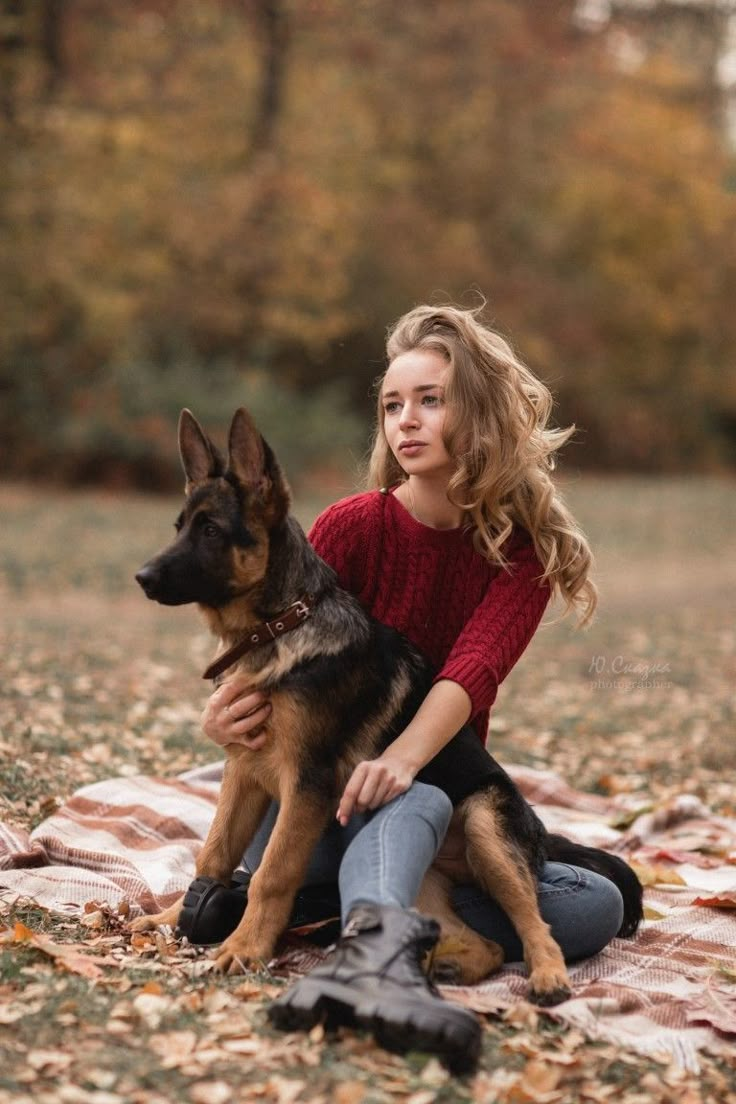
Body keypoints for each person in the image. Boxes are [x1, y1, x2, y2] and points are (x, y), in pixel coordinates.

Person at [185, 304, 624, 1066]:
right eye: (392, 404)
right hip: (309, 805)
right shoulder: (352, 527)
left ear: (479, 415)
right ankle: (373, 948)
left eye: (431, 399)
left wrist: (405, 760)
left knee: (598, 906)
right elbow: (270, 652)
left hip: (433, 805)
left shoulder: (522, 554)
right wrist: (224, 719)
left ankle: (355, 918)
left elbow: (472, 671)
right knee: (412, 799)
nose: (405, 421)